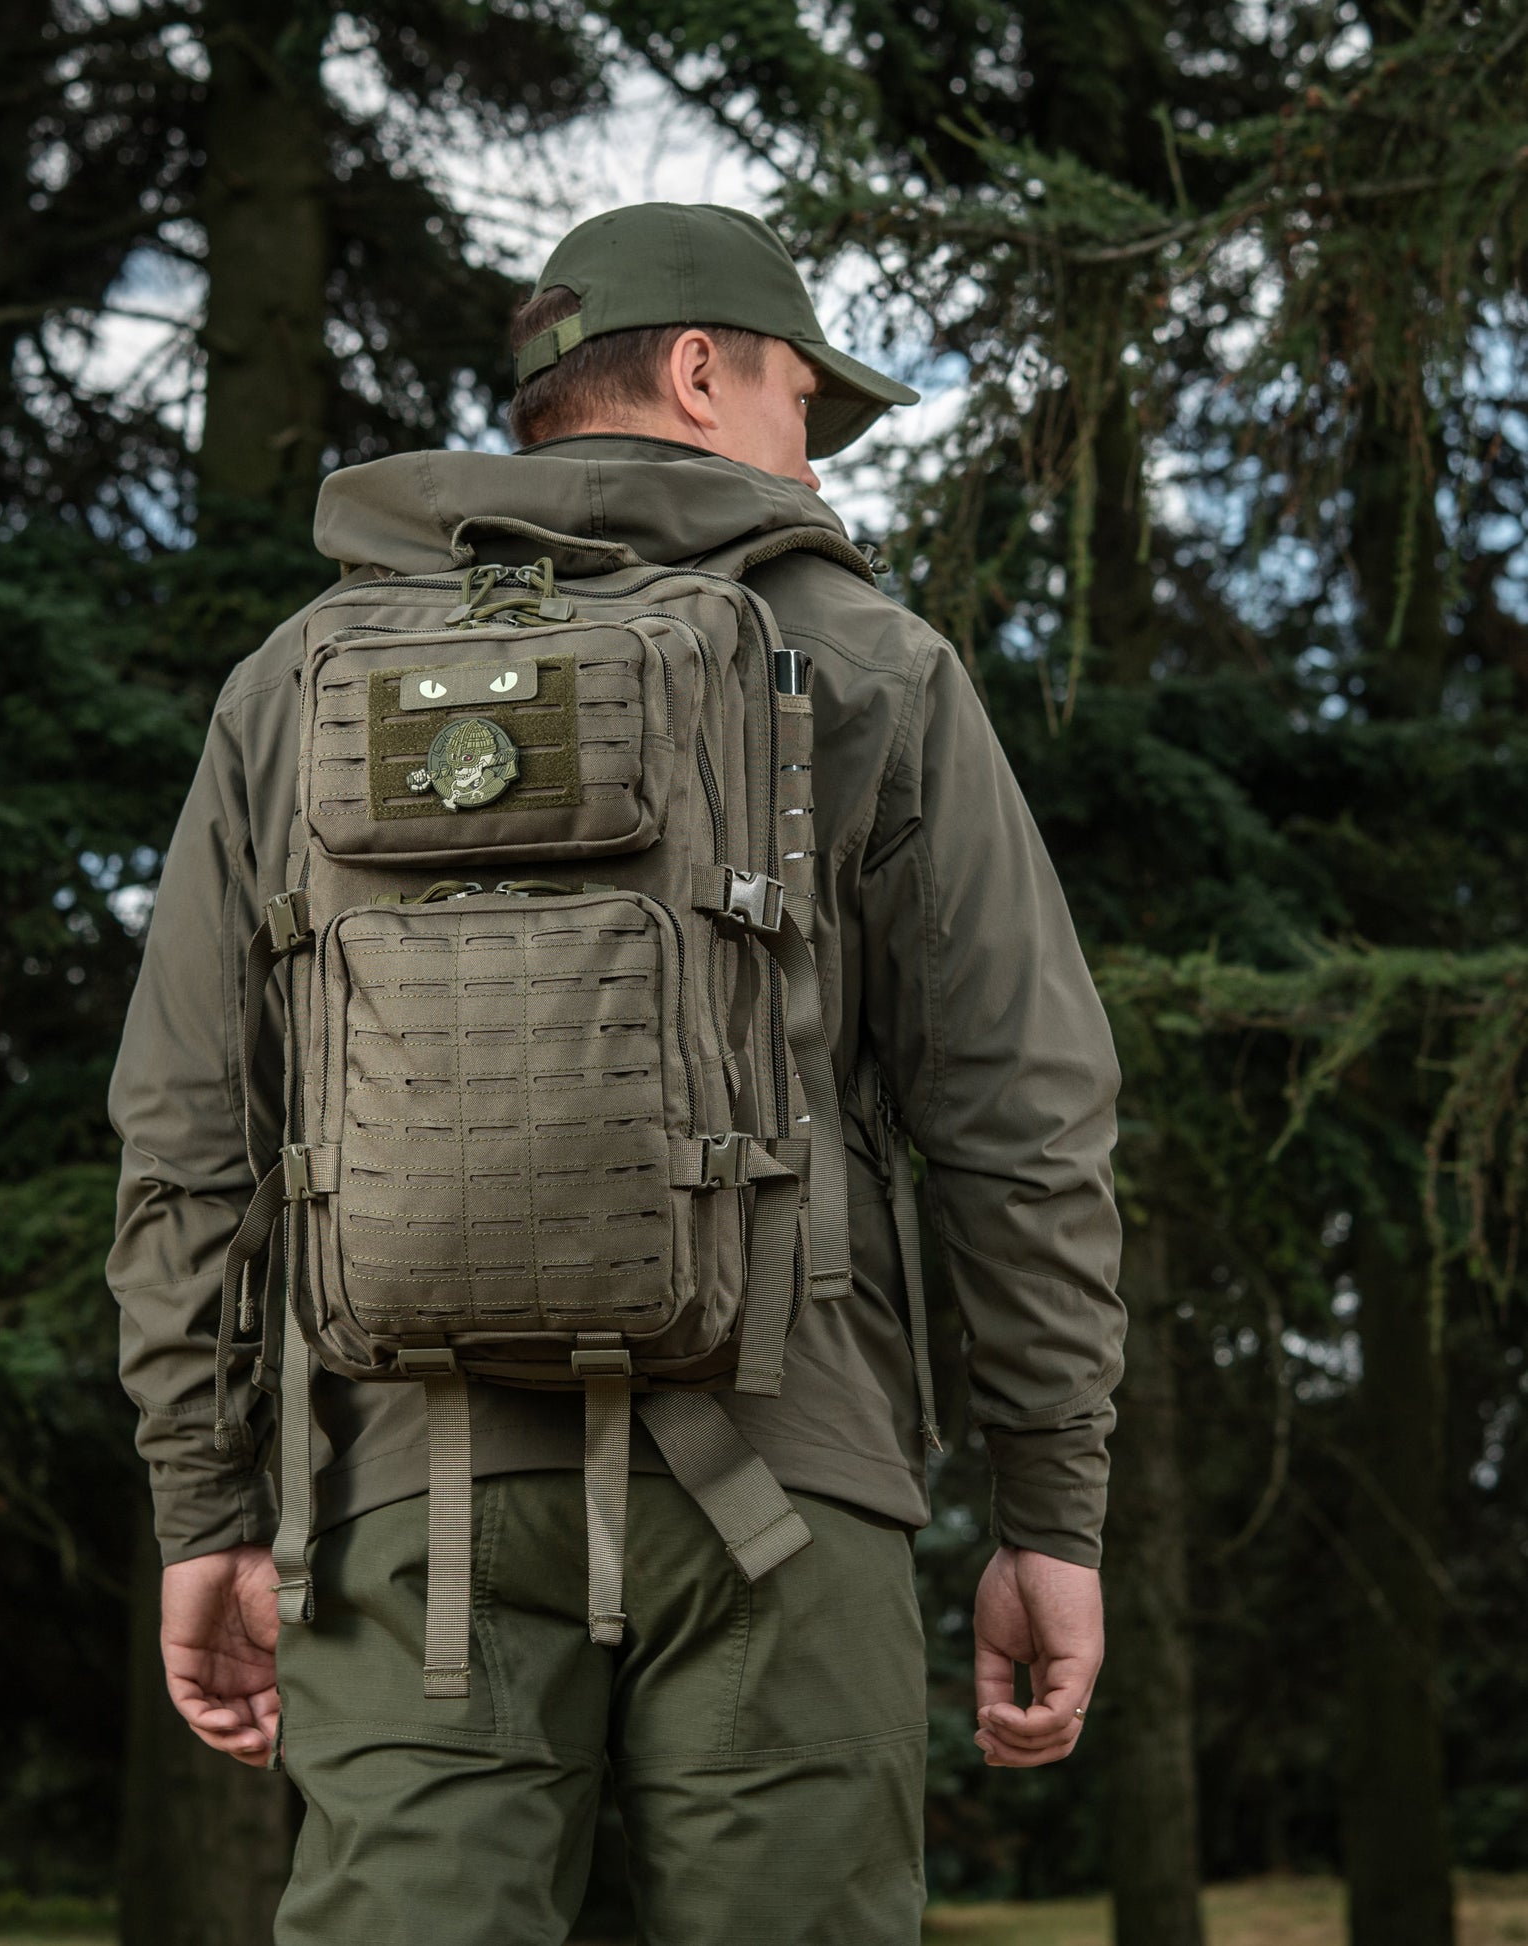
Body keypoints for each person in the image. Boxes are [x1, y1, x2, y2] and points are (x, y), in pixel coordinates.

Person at [107, 202, 1126, 1943]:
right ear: (702, 369)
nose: (813, 453)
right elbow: (1020, 1118)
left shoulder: (296, 680)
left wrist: (204, 1501)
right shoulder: (869, 663)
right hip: (783, 1483)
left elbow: (191, 1124)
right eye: (802, 397)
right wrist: (1050, 1507)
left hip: (403, 1495)